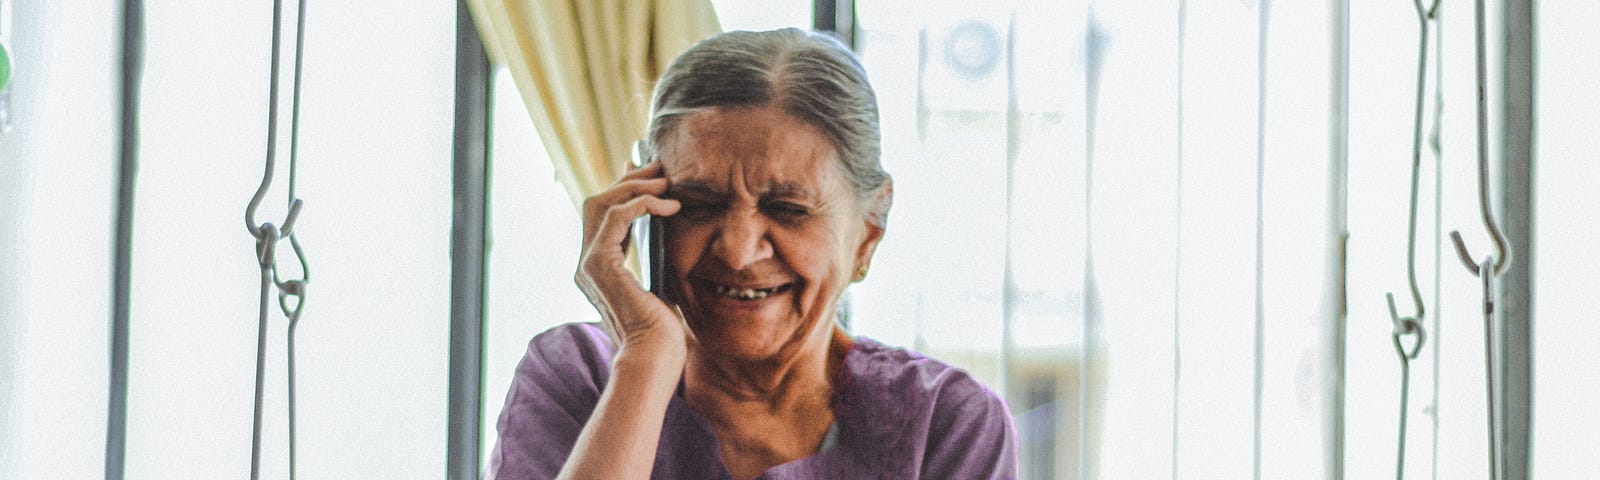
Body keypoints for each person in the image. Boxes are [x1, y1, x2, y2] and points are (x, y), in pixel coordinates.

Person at [484, 28, 1018, 480]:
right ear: (643, 206)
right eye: (698, 202)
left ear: (868, 232)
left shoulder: (943, 422)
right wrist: (646, 359)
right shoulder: (579, 378)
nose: (738, 253)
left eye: (787, 208)